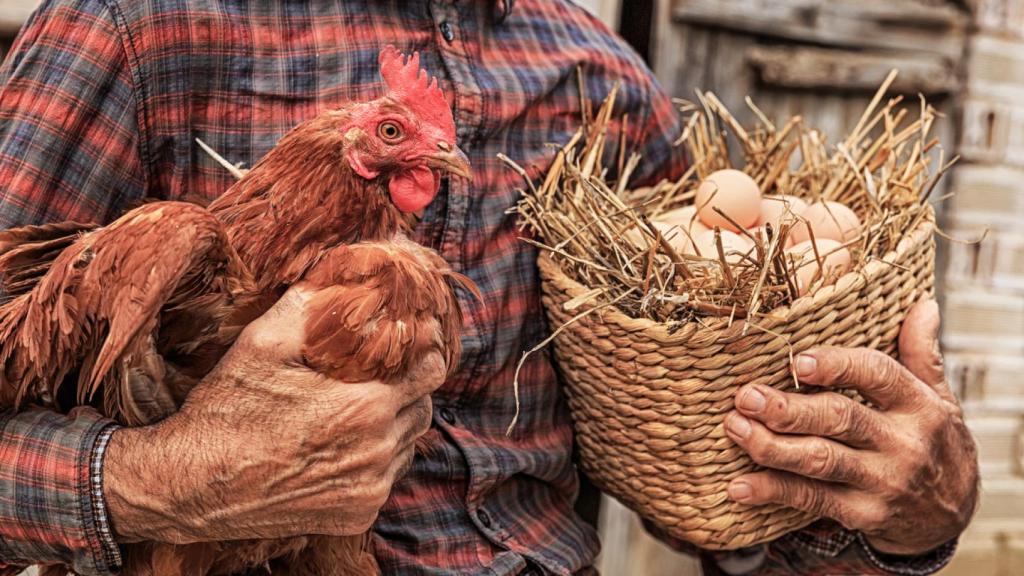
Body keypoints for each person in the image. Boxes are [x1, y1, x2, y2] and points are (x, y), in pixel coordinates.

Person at [0, 1, 977, 574]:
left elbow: (711, 479)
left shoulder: (603, 84)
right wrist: (148, 484)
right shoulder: (130, 32)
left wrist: (899, 518)